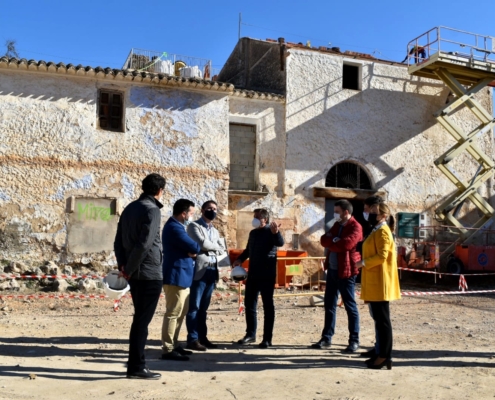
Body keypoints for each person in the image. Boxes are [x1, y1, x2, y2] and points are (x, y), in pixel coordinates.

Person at [113, 173, 166, 380]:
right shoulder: (152, 210)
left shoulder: (129, 209)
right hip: (149, 273)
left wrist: (124, 266)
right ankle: (137, 366)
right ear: (160, 191)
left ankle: (136, 364)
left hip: (135, 273)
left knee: (139, 320)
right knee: (141, 322)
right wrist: (129, 268)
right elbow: (144, 244)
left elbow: (118, 241)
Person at [311, 199, 362, 353]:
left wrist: (332, 242)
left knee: (350, 306)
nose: (335, 214)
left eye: (337, 211)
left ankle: (354, 340)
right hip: (332, 271)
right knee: (329, 305)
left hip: (346, 271)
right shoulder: (337, 225)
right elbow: (323, 240)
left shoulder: (356, 227)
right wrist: (334, 240)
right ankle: (327, 338)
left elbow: (346, 245)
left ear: (346, 212)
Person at [356, 202, 401, 370]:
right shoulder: (377, 230)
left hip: (381, 282)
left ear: (383, 215)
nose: (370, 214)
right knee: (379, 320)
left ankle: (384, 356)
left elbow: (382, 256)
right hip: (375, 281)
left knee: (383, 321)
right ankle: (380, 351)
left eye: (374, 212)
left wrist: (362, 263)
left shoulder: (383, 231)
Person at [233, 208, 284, 348]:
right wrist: (239, 259)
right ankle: (250, 334)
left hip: (267, 274)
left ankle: (267, 339)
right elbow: (248, 250)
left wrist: (276, 233)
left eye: (257, 217)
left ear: (265, 219)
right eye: (254, 216)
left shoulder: (271, 231)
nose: (254, 219)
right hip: (253, 274)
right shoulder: (253, 233)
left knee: (268, 306)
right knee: (250, 304)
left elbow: (280, 243)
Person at [161, 199, 201, 361]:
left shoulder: (178, 227)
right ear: (183, 213)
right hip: (176, 276)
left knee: (181, 312)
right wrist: (191, 252)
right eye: (191, 213)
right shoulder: (174, 228)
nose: (192, 216)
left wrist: (190, 252)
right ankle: (168, 348)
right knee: (173, 313)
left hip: (183, 276)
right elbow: (195, 247)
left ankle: (175, 344)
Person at [185, 200, 226, 351]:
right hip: (200, 271)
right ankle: (192, 339)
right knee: (194, 306)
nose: (212, 211)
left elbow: (222, 249)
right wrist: (216, 248)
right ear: (202, 210)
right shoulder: (194, 226)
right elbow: (202, 244)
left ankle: (203, 337)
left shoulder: (214, 230)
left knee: (204, 308)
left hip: (212, 271)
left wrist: (214, 248)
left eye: (215, 209)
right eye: (209, 208)